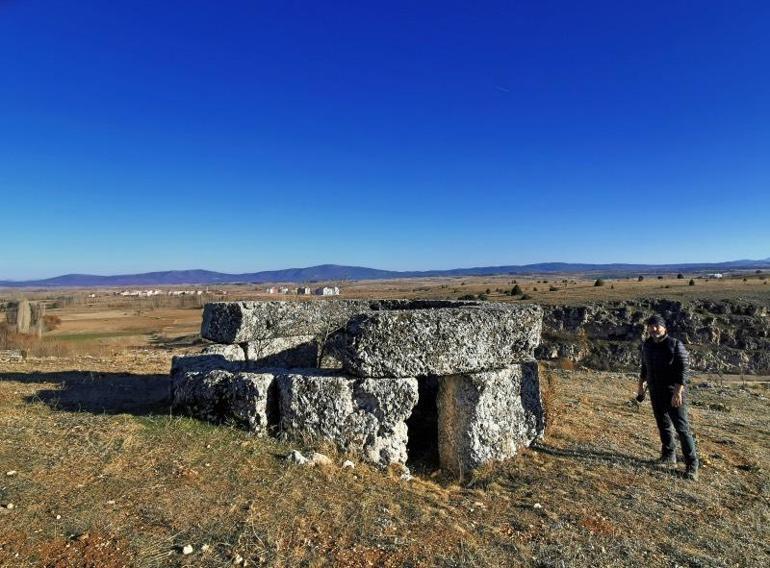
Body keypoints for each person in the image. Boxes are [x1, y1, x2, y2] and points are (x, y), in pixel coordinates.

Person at [638, 314, 699, 480]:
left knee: (682, 429)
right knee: (663, 425)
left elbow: (683, 370)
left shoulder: (675, 345)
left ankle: (692, 466)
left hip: (673, 393)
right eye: (651, 326)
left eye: (657, 325)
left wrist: (678, 392)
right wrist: (641, 387)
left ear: (664, 328)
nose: (653, 329)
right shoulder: (648, 345)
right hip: (655, 392)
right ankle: (668, 456)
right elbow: (645, 367)